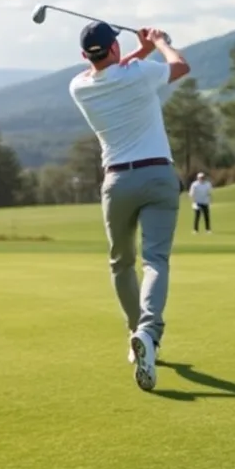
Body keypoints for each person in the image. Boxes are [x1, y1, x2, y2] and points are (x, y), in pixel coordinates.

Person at [68, 21, 190, 392]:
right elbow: (181, 67)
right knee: (155, 260)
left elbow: (109, 70)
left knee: (121, 262)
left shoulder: (79, 87)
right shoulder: (142, 73)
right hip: (157, 178)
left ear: (84, 55)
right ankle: (149, 334)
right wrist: (161, 43)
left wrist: (142, 51)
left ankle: (136, 333)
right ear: (115, 49)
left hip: (117, 182)